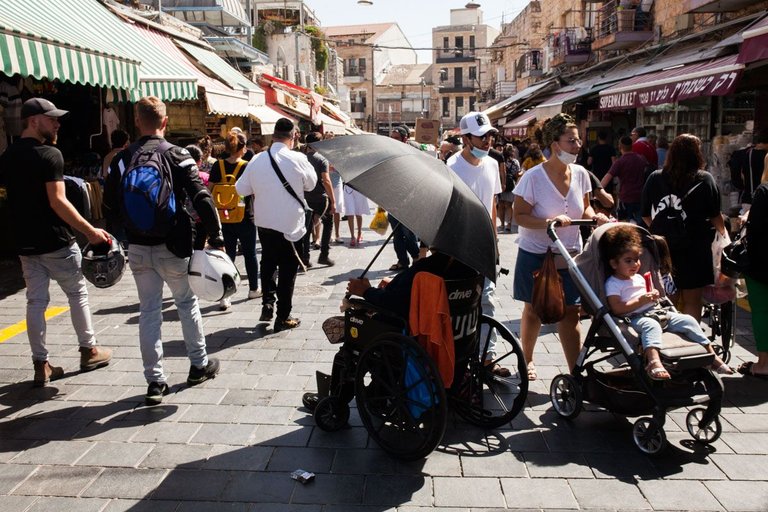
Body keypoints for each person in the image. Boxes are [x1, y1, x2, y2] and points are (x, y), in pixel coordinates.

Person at [104, 96, 223, 405]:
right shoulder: (178, 154)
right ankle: (198, 365)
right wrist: (216, 236)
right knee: (186, 303)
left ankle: (155, 382)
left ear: (137, 122)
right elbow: (201, 197)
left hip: (139, 248)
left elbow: (109, 206)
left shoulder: (122, 158)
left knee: (149, 311)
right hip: (174, 245)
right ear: (165, 122)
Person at [0, 98, 113, 387]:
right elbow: (58, 201)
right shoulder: (49, 154)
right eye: (52, 119)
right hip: (55, 241)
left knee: (36, 301)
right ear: (34, 120)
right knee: (77, 294)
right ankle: (89, 350)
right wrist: (91, 231)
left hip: (25, 243)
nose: (57, 124)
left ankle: (42, 364)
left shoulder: (8, 155)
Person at [513, 113, 610, 380]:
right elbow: (518, 216)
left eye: (578, 141)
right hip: (536, 254)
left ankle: (574, 371)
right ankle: (528, 359)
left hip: (570, 254)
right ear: (555, 145)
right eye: (571, 141)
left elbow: (587, 205)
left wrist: (594, 215)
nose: (578, 146)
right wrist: (549, 222)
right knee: (533, 309)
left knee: (571, 313)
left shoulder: (581, 175)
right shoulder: (533, 177)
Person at [601, 225, 731, 379]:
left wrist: (652, 296)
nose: (635, 264)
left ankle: (711, 356)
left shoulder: (639, 278)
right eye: (628, 261)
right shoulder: (613, 283)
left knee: (688, 320)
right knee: (651, 326)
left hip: (657, 312)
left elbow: (648, 297)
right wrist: (640, 300)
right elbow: (617, 309)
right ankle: (654, 361)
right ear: (614, 264)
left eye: (637, 260)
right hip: (634, 318)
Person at [235, 118, 317, 332]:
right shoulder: (298, 158)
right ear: (293, 137)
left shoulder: (257, 159)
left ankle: (267, 304)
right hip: (291, 226)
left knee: (268, 263)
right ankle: (283, 316)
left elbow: (241, 189)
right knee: (288, 271)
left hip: (264, 224)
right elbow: (311, 184)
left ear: (273, 136)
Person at [641, 134, 726, 322]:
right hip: (696, 245)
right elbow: (714, 215)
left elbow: (645, 213)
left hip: (664, 247)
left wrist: (663, 230)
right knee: (692, 299)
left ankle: (666, 336)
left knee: (667, 295)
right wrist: (724, 235)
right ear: (697, 155)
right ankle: (690, 337)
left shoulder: (655, 178)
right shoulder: (704, 179)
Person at [448, 111, 507, 376]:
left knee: (487, 299)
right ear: (466, 138)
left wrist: (494, 239)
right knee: (461, 302)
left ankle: (487, 356)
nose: (488, 142)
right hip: (460, 244)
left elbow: (492, 203)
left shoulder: (492, 164)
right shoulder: (451, 166)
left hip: (485, 243)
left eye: (490, 136)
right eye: (482, 137)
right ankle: (458, 355)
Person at [208, 130, 259, 310]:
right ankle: (253, 289)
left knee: (226, 257)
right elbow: (254, 191)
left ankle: (225, 296)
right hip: (245, 217)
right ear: (243, 148)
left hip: (223, 218)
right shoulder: (247, 166)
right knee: (250, 254)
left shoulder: (217, 166)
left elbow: (209, 190)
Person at [739, 180, 768, 378]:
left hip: (762, 262)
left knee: (762, 312)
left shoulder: (764, 190)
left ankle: (764, 364)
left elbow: (754, 229)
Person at [388, 125, 420, 269]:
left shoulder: (412, 153)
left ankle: (416, 257)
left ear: (405, 139)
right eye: (391, 138)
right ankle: (402, 261)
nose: (393, 140)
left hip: (410, 199)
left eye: (396, 138)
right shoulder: (389, 153)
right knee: (397, 234)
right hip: (393, 199)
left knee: (408, 233)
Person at [302, 131, 336, 267]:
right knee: (328, 223)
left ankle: (304, 258)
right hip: (320, 197)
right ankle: (324, 255)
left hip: (306, 197)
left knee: (307, 228)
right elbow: (326, 180)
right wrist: (333, 201)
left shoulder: (302, 158)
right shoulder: (322, 159)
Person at [601, 136, 648, 225]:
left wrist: (597, 191)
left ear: (620, 147)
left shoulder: (620, 162)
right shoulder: (641, 159)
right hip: (640, 197)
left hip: (625, 198)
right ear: (632, 145)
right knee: (640, 227)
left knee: (625, 226)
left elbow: (606, 179)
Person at [497, 145, 521, 233]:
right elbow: (516, 174)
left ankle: (502, 224)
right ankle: (509, 224)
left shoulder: (500, 160)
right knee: (509, 205)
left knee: (501, 205)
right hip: (511, 185)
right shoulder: (515, 162)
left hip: (501, 184)